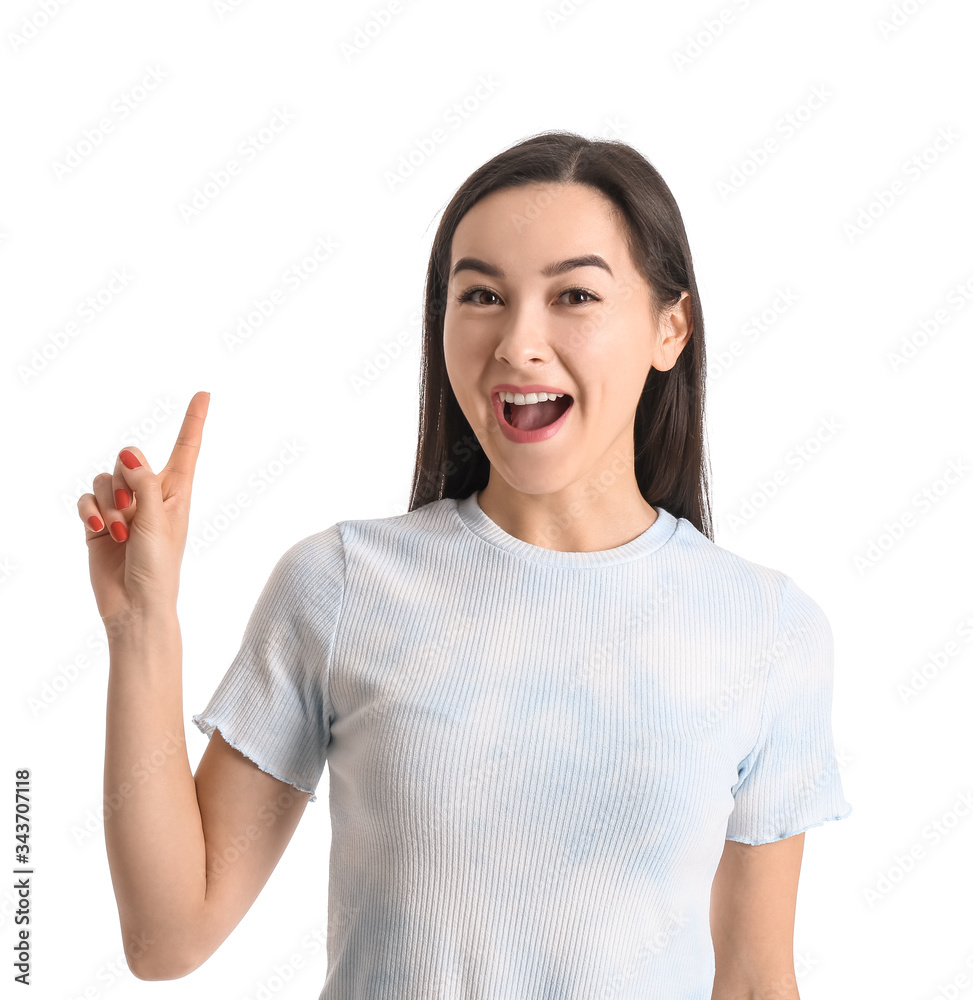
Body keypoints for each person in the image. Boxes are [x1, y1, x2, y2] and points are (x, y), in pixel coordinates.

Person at [80, 130, 852, 998]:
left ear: (669, 328)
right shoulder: (341, 587)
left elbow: (752, 980)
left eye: (574, 295)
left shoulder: (766, 630)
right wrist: (139, 622)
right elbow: (166, 935)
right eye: (481, 293)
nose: (518, 342)